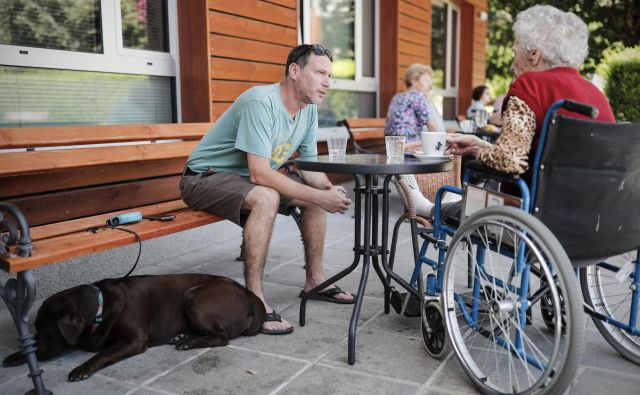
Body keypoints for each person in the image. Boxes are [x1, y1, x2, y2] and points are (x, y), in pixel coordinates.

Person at [180, 44, 354, 335]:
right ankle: (254, 300)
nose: (327, 82)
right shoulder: (260, 102)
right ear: (294, 71)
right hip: (203, 177)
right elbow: (260, 174)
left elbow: (309, 166)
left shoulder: (308, 110)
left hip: (245, 178)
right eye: (320, 72)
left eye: (329, 75)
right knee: (266, 196)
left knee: (312, 201)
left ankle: (316, 280)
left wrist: (329, 191)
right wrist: (320, 196)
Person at [411, 5, 615, 219]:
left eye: (514, 53)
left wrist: (480, 154)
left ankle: (430, 209)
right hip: (594, 223)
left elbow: (509, 162)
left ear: (534, 55)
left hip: (534, 218)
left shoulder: (531, 85)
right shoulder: (598, 97)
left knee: (473, 196)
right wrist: (481, 146)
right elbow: (543, 161)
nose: (511, 65)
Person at [385, 64, 441, 143]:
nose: (430, 85)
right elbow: (432, 126)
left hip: (393, 147)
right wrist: (440, 143)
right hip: (410, 146)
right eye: (426, 81)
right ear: (414, 82)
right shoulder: (417, 95)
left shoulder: (397, 97)